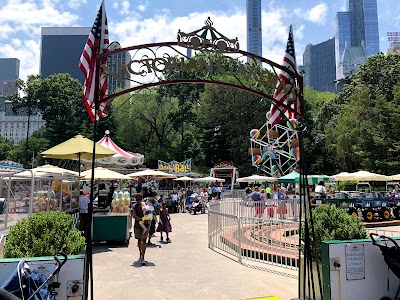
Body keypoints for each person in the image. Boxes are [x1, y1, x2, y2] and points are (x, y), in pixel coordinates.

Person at [131, 194, 148, 265]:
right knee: (139, 240)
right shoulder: (134, 206)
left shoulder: (145, 205)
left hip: (145, 225)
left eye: (140, 199)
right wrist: (141, 219)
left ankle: (143, 256)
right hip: (138, 225)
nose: (139, 201)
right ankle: (140, 253)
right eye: (137, 199)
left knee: (143, 240)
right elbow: (133, 215)